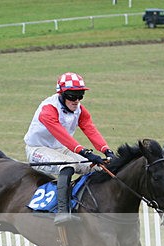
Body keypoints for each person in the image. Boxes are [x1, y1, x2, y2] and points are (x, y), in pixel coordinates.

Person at [24, 72, 114, 225]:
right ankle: (62, 211)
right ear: (62, 94)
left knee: (98, 167)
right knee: (67, 166)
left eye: (80, 95)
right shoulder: (48, 110)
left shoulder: (80, 110)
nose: (77, 100)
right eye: (72, 96)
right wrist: (84, 152)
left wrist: (106, 150)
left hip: (62, 148)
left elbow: (90, 130)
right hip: (37, 149)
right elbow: (61, 135)